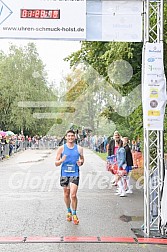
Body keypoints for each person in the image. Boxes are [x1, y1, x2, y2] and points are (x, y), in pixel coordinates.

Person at [55, 129, 84, 225]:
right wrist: (61, 160)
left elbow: (82, 159)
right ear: (66, 137)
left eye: (72, 136)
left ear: (75, 137)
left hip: (75, 173)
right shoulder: (61, 149)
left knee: (73, 195)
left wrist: (81, 162)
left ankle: (75, 213)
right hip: (64, 174)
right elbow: (56, 163)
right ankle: (68, 211)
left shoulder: (79, 148)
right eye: (69, 136)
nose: (70, 137)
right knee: (66, 194)